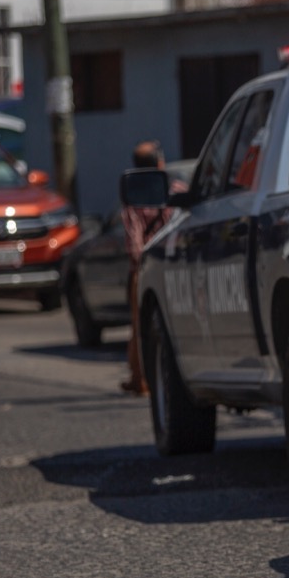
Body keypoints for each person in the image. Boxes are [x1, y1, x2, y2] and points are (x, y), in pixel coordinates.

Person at [120, 139, 181, 395]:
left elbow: (134, 241)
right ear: (159, 163)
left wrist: (139, 264)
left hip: (144, 268)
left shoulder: (133, 196)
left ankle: (141, 379)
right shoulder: (174, 188)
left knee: (140, 325)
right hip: (172, 265)